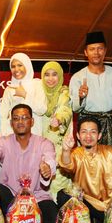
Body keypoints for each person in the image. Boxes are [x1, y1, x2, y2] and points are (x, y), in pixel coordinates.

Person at [58, 116, 112, 223]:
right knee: (63, 195)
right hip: (85, 203)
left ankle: (98, 222)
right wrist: (66, 150)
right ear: (78, 136)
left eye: (93, 132)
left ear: (99, 135)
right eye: (84, 132)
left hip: (109, 206)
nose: (88, 136)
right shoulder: (76, 153)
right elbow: (67, 166)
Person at [68, 31, 112, 146]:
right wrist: (81, 98)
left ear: (105, 51)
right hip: (88, 129)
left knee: (110, 157)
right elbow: (74, 109)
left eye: (100, 48)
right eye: (92, 49)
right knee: (87, 157)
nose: (96, 53)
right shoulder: (78, 77)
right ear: (85, 52)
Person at [40, 61, 73, 201]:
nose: (50, 78)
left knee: (58, 186)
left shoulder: (64, 94)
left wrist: (59, 119)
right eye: (46, 75)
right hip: (40, 147)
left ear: (60, 77)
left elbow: (65, 110)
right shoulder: (39, 93)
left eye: (54, 74)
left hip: (58, 148)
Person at [0, 52, 46, 137]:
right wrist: (4, 135)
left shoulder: (37, 84)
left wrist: (25, 95)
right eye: (13, 66)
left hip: (34, 137)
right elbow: (2, 116)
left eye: (20, 65)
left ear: (27, 65)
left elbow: (42, 109)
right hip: (13, 137)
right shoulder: (9, 89)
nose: (16, 69)